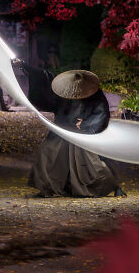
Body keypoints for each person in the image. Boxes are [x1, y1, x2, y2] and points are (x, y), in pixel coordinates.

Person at [14, 60, 127, 198]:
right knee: (47, 154)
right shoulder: (64, 92)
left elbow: (101, 113)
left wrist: (85, 125)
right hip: (64, 129)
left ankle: (114, 186)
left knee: (94, 163)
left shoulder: (95, 94)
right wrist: (28, 68)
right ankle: (46, 188)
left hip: (83, 133)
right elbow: (46, 79)